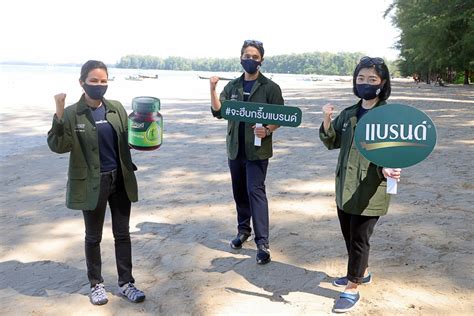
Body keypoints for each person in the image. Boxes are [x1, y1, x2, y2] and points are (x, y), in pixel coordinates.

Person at [47, 60, 146, 305]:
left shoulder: (116, 109)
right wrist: (58, 110)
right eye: (94, 81)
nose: (100, 86)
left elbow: (127, 139)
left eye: (103, 81)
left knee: (123, 234)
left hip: (120, 179)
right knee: (93, 237)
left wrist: (143, 137)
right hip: (92, 182)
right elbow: (59, 146)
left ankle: (126, 283)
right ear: (82, 83)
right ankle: (96, 284)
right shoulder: (72, 113)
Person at [319, 56, 401, 313]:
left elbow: (396, 150)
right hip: (345, 186)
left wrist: (388, 167)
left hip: (370, 187)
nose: (366, 83)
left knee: (359, 239)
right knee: (348, 233)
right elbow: (331, 142)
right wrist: (327, 119)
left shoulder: (388, 116)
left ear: (382, 83)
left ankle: (352, 288)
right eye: (361, 78)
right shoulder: (350, 114)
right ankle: (361, 272)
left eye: (372, 79)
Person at [209, 40, 284, 264]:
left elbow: (279, 116)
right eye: (246, 55)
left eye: (254, 56)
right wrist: (212, 89)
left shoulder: (270, 87)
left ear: (261, 60)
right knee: (239, 191)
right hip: (235, 149)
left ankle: (263, 243)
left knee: (255, 192)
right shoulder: (232, 86)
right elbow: (218, 111)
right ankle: (243, 231)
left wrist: (267, 130)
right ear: (240, 58)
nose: (250, 59)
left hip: (257, 152)